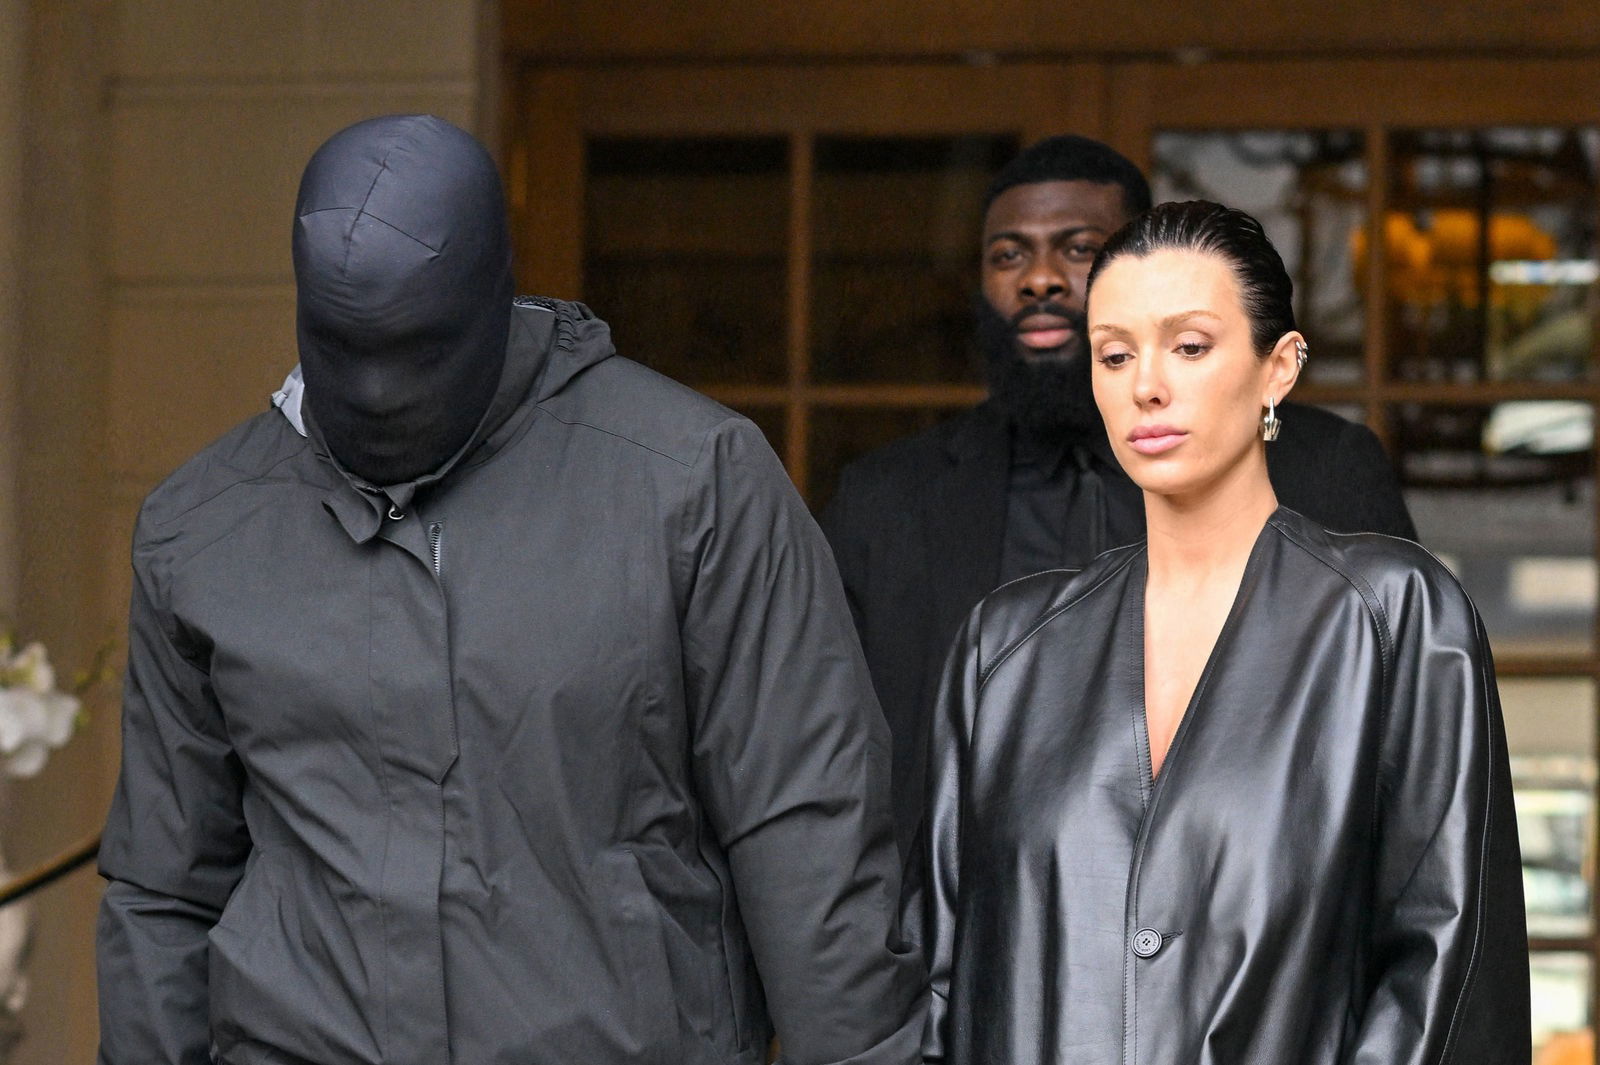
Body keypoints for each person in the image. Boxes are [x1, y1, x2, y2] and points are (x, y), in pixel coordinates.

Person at [96, 114, 922, 1065]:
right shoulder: (203, 528)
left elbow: (807, 833)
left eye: (417, 349)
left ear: (496, 293)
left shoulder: (689, 483)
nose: (376, 390)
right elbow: (164, 890)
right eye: (342, 345)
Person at [921, 200, 1528, 1063]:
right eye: (1115, 354)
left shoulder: (1394, 619)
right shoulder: (1007, 649)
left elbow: (1444, 967)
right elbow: (939, 976)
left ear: (1279, 367)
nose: (1146, 384)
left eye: (1191, 346)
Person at [820, 134, 1418, 869]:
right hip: (977, 924)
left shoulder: (1325, 469)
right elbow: (832, 760)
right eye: (1007, 256)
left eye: (1078, 249)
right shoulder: (888, 499)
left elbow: (1404, 775)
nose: (1039, 279)